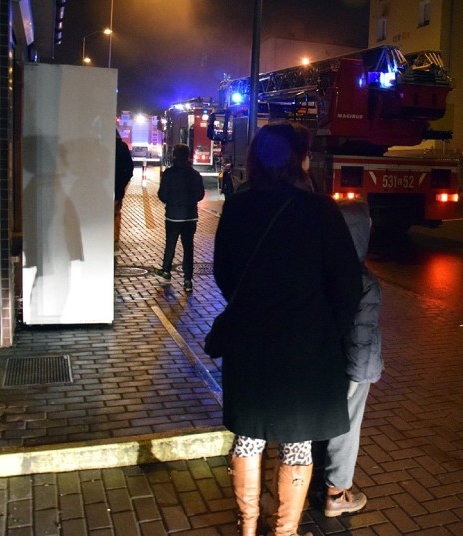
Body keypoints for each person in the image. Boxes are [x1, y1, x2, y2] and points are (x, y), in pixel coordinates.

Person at [213, 122, 363, 536]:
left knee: (249, 435)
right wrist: (327, 326)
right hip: (306, 346)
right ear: (300, 160)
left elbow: (223, 274)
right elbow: (348, 284)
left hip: (249, 341)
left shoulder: (238, 207)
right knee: (297, 443)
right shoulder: (320, 211)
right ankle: (284, 531)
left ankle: (247, 527)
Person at [320, 200, 382, 518]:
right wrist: (358, 377)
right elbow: (361, 333)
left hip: (328, 363)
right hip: (355, 368)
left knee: (328, 422)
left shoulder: (324, 272)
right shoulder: (363, 281)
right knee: (347, 428)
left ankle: (324, 481)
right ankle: (337, 492)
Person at [153, 143, 205, 292]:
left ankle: (166, 271)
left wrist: (170, 201)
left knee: (170, 243)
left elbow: (162, 194)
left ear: (174, 155)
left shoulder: (169, 173)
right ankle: (188, 279)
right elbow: (200, 195)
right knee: (188, 247)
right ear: (188, 156)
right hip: (190, 216)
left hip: (173, 216)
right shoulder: (195, 174)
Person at [114, 130, 134, 246]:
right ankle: (115, 237)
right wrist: (123, 183)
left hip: (102, 188)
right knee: (116, 212)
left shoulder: (101, 146)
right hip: (118, 187)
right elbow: (129, 168)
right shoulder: (122, 147)